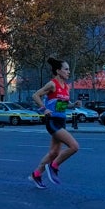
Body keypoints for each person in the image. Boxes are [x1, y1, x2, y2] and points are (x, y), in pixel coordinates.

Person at [28, 57, 81, 189]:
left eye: (69, 69)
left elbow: (63, 104)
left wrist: (73, 104)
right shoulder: (52, 84)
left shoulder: (66, 87)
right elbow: (35, 95)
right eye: (66, 69)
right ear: (58, 71)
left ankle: (36, 174)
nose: (69, 72)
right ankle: (54, 166)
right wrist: (44, 108)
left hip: (61, 121)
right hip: (52, 122)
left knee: (53, 153)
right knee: (74, 146)